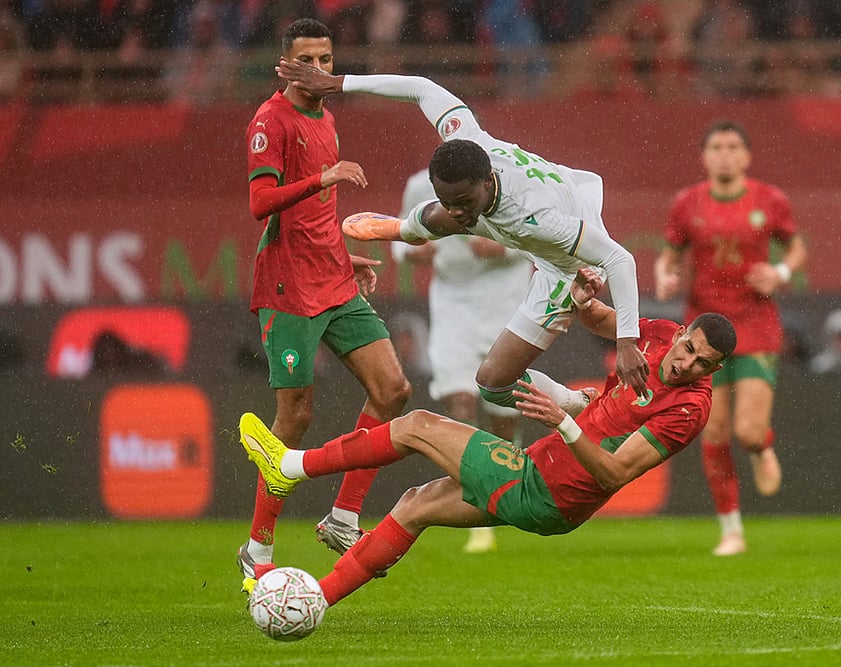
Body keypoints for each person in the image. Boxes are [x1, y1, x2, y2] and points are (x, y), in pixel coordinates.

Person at [237, 278, 736, 604]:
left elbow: (615, 473)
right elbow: (602, 321)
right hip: (540, 475)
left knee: (417, 426)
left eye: (702, 364)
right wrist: (585, 297)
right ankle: (313, 601)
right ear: (682, 333)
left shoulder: (690, 409)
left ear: (714, 370)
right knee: (416, 505)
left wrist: (563, 421)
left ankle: (292, 465)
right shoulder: (660, 332)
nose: (686, 363)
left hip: (549, 490)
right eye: (688, 348)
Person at [274, 61, 649, 425]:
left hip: (569, 254)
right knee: (492, 384)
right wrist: (339, 83)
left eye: (465, 201)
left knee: (591, 313)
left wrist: (627, 346)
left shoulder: (535, 217)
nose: (457, 210)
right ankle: (578, 401)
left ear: (487, 181)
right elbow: (421, 87)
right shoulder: (466, 139)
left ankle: (649, 348)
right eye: (448, 198)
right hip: (550, 203)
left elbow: (620, 259)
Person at [237, 18, 412, 593]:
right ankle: (257, 546)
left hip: (333, 277)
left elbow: (317, 215)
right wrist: (323, 177)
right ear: (283, 64)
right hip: (288, 288)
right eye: (307, 60)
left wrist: (344, 254)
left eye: (327, 59)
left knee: (394, 391)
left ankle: (342, 517)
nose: (320, 70)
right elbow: (262, 202)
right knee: (296, 418)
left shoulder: (328, 117)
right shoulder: (269, 122)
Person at [653, 120, 807, 556]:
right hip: (702, 332)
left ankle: (762, 447)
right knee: (714, 430)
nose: (725, 154)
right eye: (717, 147)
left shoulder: (769, 200)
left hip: (757, 325)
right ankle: (731, 529)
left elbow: (796, 248)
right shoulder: (687, 203)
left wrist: (779, 272)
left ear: (746, 156)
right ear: (705, 156)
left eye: (733, 146)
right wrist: (664, 275)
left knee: (748, 431)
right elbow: (669, 255)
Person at [392, 168, 534, 553]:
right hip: (453, 305)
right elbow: (401, 242)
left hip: (507, 302)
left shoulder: (513, 179)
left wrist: (504, 247)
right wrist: (417, 250)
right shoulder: (421, 185)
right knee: (460, 399)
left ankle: (506, 491)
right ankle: (476, 501)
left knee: (502, 409)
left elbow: (541, 239)